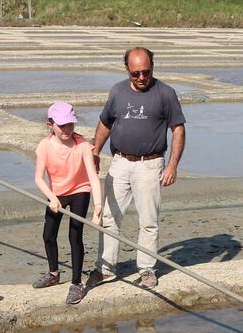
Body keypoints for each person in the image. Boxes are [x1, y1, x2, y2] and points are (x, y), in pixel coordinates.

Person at [88, 47, 186, 290]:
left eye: (146, 72)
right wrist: (95, 151)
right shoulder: (117, 91)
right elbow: (105, 122)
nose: (142, 78)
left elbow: (178, 129)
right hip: (120, 162)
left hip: (150, 165)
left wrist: (172, 164)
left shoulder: (165, 93)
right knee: (110, 217)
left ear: (152, 67)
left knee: (148, 221)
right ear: (127, 70)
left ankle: (146, 270)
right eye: (136, 74)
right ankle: (106, 268)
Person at [32, 101, 103, 305]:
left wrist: (98, 208)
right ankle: (53, 274)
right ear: (50, 125)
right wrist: (52, 198)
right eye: (62, 125)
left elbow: (93, 177)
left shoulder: (82, 146)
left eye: (70, 124)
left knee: (75, 235)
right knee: (48, 235)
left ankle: (76, 283)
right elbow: (38, 178)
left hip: (80, 190)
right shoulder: (45, 146)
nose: (67, 129)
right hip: (56, 193)